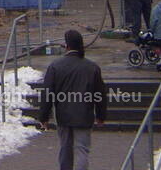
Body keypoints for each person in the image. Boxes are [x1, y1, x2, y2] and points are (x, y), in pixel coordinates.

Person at [38, 29, 108, 170]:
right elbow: (100, 94)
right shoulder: (92, 67)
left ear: (67, 46)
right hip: (84, 115)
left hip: (63, 116)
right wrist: (101, 115)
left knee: (65, 149)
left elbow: (47, 93)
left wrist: (43, 116)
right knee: (82, 149)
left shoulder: (55, 66)